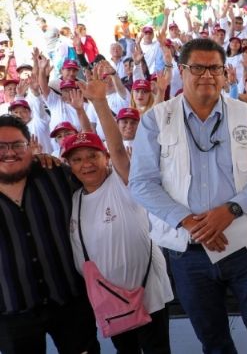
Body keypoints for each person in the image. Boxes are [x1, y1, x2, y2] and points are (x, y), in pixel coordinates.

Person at [129, 38, 247, 354]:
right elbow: (142, 183)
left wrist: (230, 210)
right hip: (188, 252)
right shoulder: (155, 120)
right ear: (181, 70)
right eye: (197, 67)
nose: (207, 75)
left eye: (215, 68)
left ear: (225, 73)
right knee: (213, 342)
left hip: (245, 247)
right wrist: (189, 222)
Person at [66, 74, 174, 353]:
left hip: (148, 294)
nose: (86, 164)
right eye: (76, 159)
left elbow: (116, 148)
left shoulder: (123, 180)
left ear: (105, 159)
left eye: (92, 156)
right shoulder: (74, 199)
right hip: (110, 301)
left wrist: (100, 102)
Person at [0, 115, 100, 353]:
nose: (9, 153)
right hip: (10, 312)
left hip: (71, 302)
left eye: (17, 145)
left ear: (30, 146)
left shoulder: (58, 175)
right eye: (1, 147)